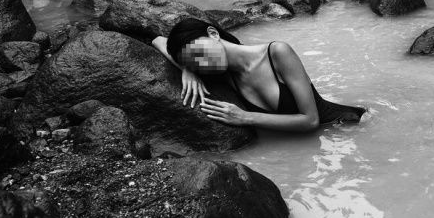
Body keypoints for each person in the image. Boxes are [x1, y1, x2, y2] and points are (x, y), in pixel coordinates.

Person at [152, 18, 366, 132]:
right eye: (195, 64)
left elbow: (310, 121)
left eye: (199, 54)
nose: (202, 65)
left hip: (352, 125)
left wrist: (245, 118)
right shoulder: (224, 74)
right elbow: (157, 40)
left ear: (213, 33)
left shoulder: (277, 53)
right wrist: (187, 70)